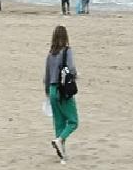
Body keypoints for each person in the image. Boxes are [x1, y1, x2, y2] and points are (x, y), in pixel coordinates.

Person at [44, 25, 79, 164]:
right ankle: (59, 140)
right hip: (63, 90)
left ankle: (62, 155)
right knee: (73, 121)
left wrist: (47, 92)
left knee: (58, 122)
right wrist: (75, 76)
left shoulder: (50, 53)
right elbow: (71, 68)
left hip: (52, 90)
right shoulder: (67, 51)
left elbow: (46, 76)